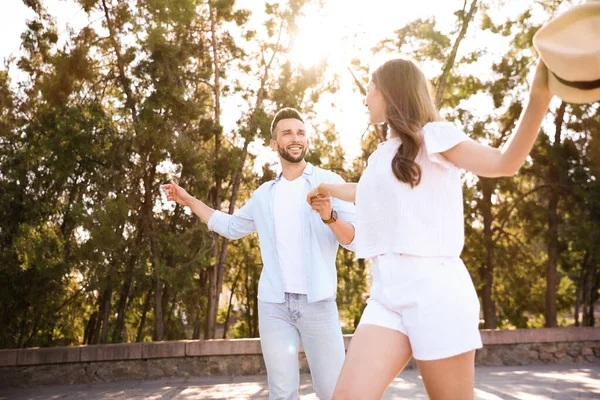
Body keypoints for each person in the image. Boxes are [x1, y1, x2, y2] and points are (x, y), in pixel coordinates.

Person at [306, 58, 553, 399]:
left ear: (389, 92)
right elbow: (363, 192)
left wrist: (538, 97)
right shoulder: (382, 155)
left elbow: (504, 163)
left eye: (369, 91)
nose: (365, 100)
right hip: (386, 295)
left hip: (435, 291)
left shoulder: (433, 136)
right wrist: (327, 188)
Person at [161, 108, 356, 400]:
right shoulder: (264, 195)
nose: (295, 138)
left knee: (334, 392)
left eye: (300, 132)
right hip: (274, 306)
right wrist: (188, 200)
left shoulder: (328, 182)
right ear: (273, 144)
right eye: (287, 133)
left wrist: (330, 215)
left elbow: (352, 238)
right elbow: (229, 226)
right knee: (281, 392)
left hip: (319, 303)